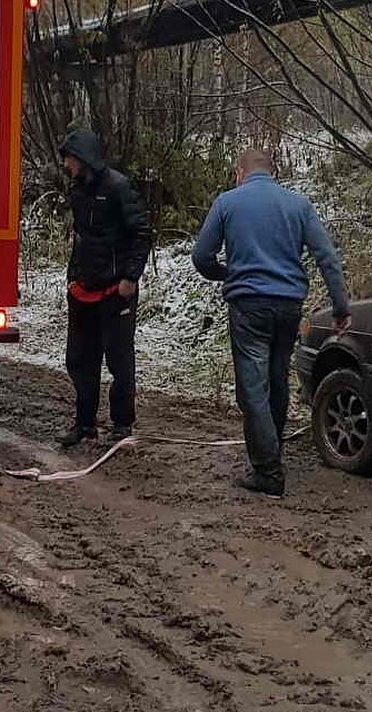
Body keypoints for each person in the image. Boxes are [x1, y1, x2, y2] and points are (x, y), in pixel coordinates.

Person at [192, 149, 351, 497]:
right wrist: (341, 306)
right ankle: (271, 453)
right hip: (289, 305)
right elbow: (327, 257)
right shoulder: (298, 205)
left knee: (253, 387)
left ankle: (267, 471)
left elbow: (201, 256)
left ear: (239, 172)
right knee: (276, 379)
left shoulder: (227, 202)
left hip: (249, 305)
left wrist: (226, 274)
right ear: (274, 172)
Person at [58, 127, 154, 448]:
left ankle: (121, 424)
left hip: (116, 291)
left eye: (69, 158)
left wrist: (130, 277)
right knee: (80, 359)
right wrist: (73, 276)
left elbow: (141, 233)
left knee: (119, 360)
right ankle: (84, 424)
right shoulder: (77, 191)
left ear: (83, 157)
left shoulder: (118, 187)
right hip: (83, 288)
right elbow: (81, 237)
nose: (66, 165)